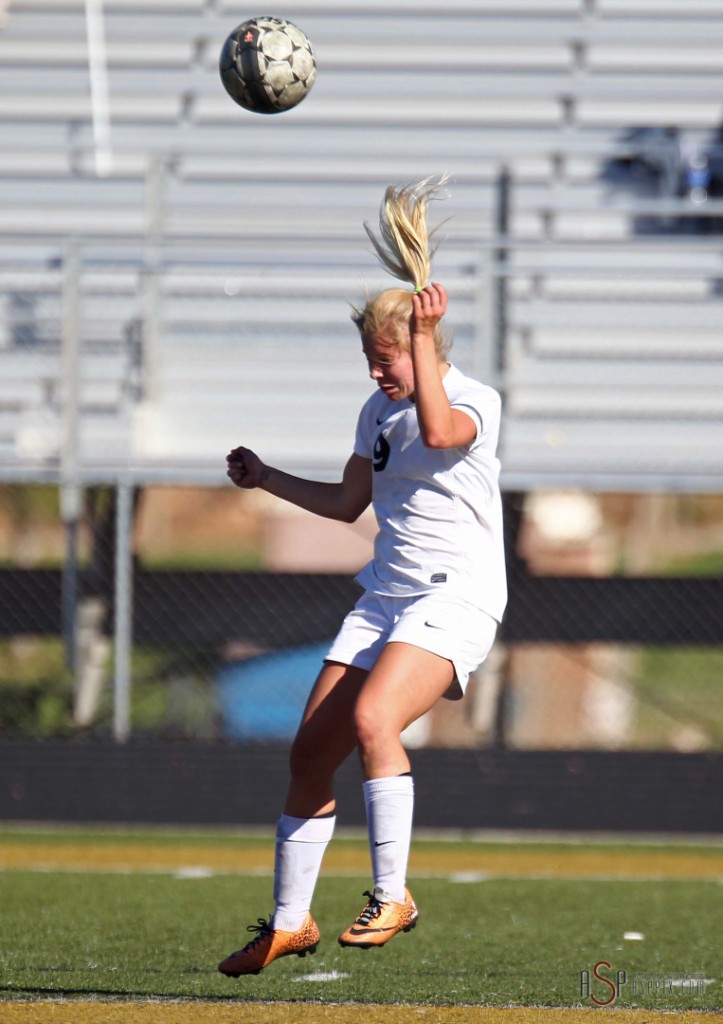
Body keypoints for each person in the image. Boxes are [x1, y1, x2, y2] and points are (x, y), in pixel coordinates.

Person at [218, 177, 507, 977]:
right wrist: (266, 477)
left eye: (385, 359)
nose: (377, 374)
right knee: (310, 754)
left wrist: (420, 339)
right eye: (369, 360)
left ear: (421, 346)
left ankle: (393, 895)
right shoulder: (375, 412)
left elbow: (442, 431)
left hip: (456, 596)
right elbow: (350, 503)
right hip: (385, 599)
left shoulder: (472, 401)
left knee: (377, 721)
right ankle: (289, 921)